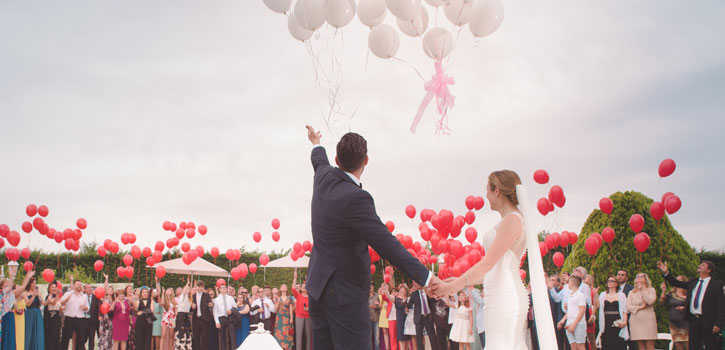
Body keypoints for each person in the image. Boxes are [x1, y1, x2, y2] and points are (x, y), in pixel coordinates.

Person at [305, 126, 438, 350]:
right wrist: (425, 276)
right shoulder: (356, 198)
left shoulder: (323, 176)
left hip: (317, 288)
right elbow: (386, 243)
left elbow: (318, 159)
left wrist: (316, 142)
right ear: (366, 160)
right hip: (345, 295)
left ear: (336, 158)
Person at [431, 170, 557, 349]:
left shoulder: (512, 220)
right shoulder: (509, 219)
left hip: (505, 296)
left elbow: (488, 263)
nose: (486, 195)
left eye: (487, 190)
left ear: (496, 190)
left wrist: (454, 286)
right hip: (497, 293)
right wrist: (460, 281)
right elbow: (492, 268)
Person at [658, 260, 725, 350]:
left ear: (709, 270)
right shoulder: (693, 282)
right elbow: (676, 283)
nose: (700, 266)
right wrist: (666, 272)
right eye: (700, 264)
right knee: (694, 346)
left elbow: (721, 306)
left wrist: (717, 324)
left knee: (710, 345)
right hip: (693, 320)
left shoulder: (716, 285)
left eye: (703, 265)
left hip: (709, 321)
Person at [626, 273, 657, 350]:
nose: (639, 278)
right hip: (635, 321)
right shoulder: (632, 292)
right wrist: (640, 307)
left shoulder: (651, 290)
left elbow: (650, 301)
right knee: (640, 345)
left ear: (646, 280)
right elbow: (628, 306)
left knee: (649, 344)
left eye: (641, 276)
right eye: (637, 277)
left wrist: (642, 290)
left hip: (648, 320)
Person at [60, 276, 91, 350]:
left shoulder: (84, 296)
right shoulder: (68, 294)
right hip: (69, 318)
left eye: (80, 284)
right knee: (65, 338)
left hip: (80, 319)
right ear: (73, 285)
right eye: (77, 284)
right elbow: (60, 303)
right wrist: (66, 300)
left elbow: (88, 308)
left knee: (81, 339)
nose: (79, 285)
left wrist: (84, 308)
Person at [557, 275, 587, 350]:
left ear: (572, 283)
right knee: (573, 345)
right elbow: (570, 311)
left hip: (579, 324)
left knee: (580, 345)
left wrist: (574, 325)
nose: (568, 284)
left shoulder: (580, 295)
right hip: (569, 322)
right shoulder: (571, 295)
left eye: (569, 282)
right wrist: (563, 320)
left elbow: (582, 310)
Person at [599, 276, 629, 350]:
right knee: (607, 342)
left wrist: (624, 322)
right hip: (606, 321)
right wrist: (596, 295)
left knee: (618, 342)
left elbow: (625, 310)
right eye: (608, 281)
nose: (609, 282)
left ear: (616, 284)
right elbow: (597, 306)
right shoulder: (602, 295)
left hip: (617, 320)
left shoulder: (621, 295)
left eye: (612, 281)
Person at [660, 276, 689, 350]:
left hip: (686, 322)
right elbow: (662, 303)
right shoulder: (671, 294)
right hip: (674, 323)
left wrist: (684, 309)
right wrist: (663, 291)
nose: (677, 281)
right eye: (677, 279)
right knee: (678, 345)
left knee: (688, 344)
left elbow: (693, 306)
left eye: (680, 279)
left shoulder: (688, 294)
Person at [407, 282, 437, 350]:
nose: (415, 285)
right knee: (419, 338)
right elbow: (409, 305)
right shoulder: (414, 294)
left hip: (428, 317)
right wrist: (404, 302)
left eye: (417, 283)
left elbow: (433, 302)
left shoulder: (427, 292)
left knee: (432, 336)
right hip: (419, 318)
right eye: (415, 284)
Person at [291, 269, 310, 350]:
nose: (303, 287)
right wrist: (295, 278)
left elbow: (313, 307)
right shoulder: (298, 295)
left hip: (309, 317)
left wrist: (308, 308)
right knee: (299, 336)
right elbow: (293, 288)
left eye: (305, 286)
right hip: (299, 317)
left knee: (309, 336)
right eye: (302, 286)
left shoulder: (311, 297)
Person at [213, 284, 236, 350]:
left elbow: (235, 307)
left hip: (230, 317)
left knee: (232, 336)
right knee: (222, 337)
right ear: (219, 289)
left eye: (225, 288)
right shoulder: (216, 300)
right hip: (221, 318)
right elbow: (215, 312)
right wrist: (217, 322)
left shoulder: (230, 298)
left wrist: (231, 311)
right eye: (222, 288)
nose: (224, 289)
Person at [191, 281, 212, 350]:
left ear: (203, 287)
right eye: (198, 286)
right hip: (196, 319)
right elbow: (190, 308)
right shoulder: (193, 296)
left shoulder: (207, 295)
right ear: (196, 287)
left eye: (201, 287)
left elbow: (210, 302)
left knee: (205, 337)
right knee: (196, 336)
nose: (200, 288)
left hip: (204, 319)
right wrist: (192, 307)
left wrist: (210, 304)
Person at [25, 277, 45, 350]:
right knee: (29, 332)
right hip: (30, 313)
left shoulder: (38, 293)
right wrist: (33, 296)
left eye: (35, 283)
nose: (34, 284)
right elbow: (28, 304)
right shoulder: (25, 293)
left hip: (37, 312)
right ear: (29, 284)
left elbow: (44, 303)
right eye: (32, 283)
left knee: (39, 332)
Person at [273, 284, 294, 349]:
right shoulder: (277, 297)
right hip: (279, 317)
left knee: (287, 333)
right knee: (279, 332)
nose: (284, 287)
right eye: (282, 286)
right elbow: (275, 309)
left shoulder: (290, 297)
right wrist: (278, 302)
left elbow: (291, 309)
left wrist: (291, 318)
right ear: (280, 289)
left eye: (285, 286)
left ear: (287, 289)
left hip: (287, 317)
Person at [43, 280, 62, 350]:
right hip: (51, 319)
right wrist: (57, 295)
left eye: (55, 287)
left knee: (57, 337)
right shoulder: (48, 297)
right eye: (52, 287)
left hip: (57, 318)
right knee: (51, 337)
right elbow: (53, 303)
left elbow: (60, 308)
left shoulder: (57, 297)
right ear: (49, 289)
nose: (54, 288)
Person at [175, 279, 192, 350]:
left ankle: (187, 347)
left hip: (186, 315)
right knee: (181, 332)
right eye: (186, 289)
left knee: (187, 332)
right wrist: (187, 283)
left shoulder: (189, 298)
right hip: (181, 315)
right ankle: (179, 347)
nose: (187, 290)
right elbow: (184, 291)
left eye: (189, 289)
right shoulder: (182, 296)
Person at [99, 275, 115, 350]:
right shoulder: (104, 298)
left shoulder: (114, 300)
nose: (110, 290)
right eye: (109, 289)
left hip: (112, 321)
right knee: (104, 336)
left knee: (110, 337)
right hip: (105, 320)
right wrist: (107, 279)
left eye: (111, 289)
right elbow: (104, 288)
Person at [87, 283, 102, 350]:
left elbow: (101, 307)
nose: (90, 289)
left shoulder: (96, 297)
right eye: (88, 288)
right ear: (85, 289)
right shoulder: (83, 297)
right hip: (88, 322)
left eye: (91, 288)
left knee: (100, 338)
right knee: (91, 339)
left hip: (97, 321)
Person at [369, 284, 381, 350]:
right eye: (369, 286)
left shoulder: (377, 296)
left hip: (376, 318)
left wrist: (376, 306)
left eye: (372, 286)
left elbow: (380, 307)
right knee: (369, 337)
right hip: (368, 319)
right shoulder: (365, 296)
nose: (371, 287)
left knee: (377, 338)